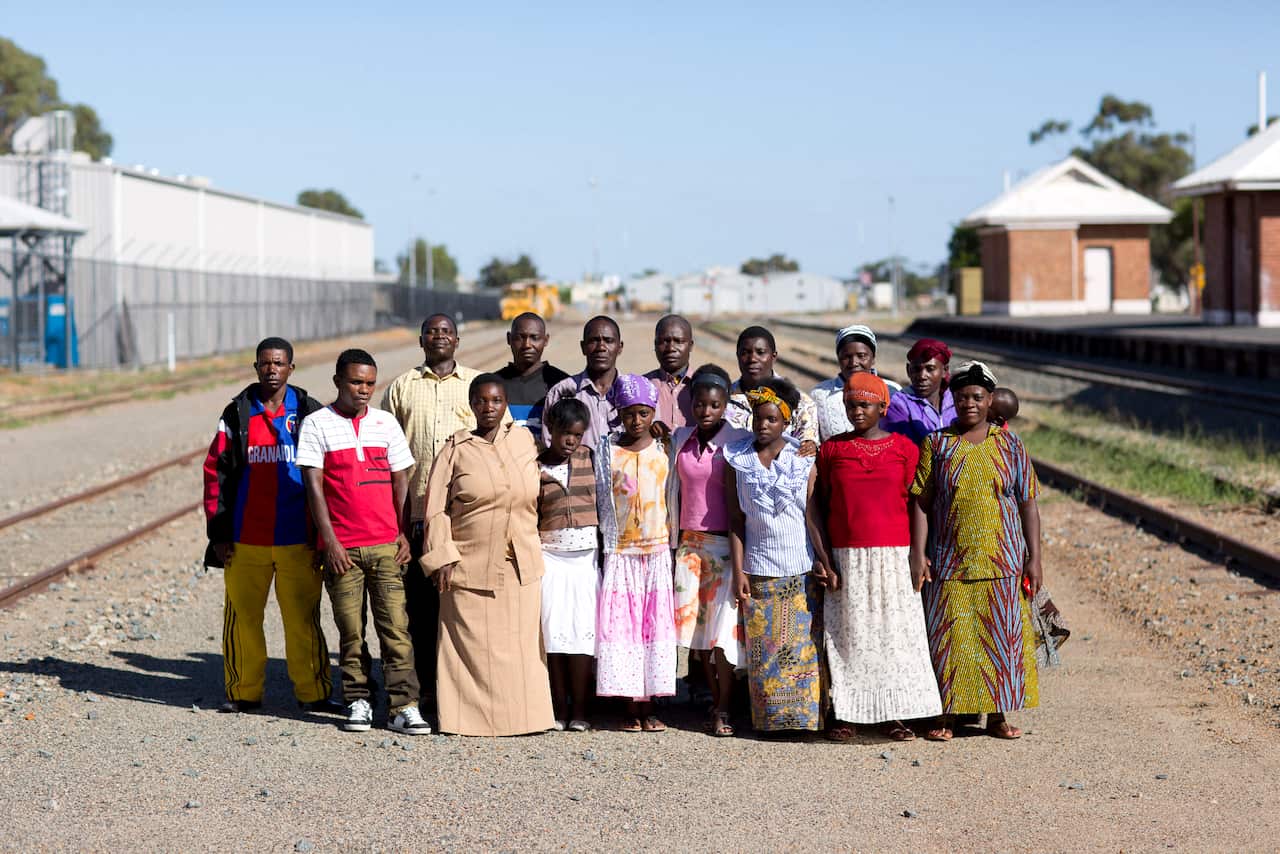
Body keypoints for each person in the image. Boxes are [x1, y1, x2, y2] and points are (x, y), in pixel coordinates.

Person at [202, 336, 339, 715]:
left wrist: (325, 535)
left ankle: (313, 692)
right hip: (246, 540)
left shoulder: (309, 411)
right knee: (243, 620)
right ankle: (243, 692)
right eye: (265, 363)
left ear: (291, 368)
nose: (271, 369)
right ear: (256, 367)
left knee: (302, 620)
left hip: (299, 538)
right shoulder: (237, 412)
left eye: (278, 363)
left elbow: (330, 473)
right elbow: (215, 473)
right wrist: (219, 534)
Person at [296, 349, 428, 735]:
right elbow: (313, 488)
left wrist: (402, 532)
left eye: (370, 383)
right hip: (343, 551)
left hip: (386, 547)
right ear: (338, 381)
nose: (364, 390)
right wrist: (330, 542)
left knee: (396, 630)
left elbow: (401, 480)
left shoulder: (386, 423)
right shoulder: (317, 424)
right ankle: (358, 700)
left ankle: (404, 706)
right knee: (351, 631)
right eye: (356, 382)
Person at [909, 360, 1042, 742]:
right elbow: (920, 502)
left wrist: (1034, 557)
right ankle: (947, 715)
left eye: (978, 397)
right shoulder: (937, 444)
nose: (970, 403)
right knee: (952, 642)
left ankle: (997, 716)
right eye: (963, 397)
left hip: (1003, 561)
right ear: (953, 399)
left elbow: (1028, 503)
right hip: (950, 561)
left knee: (1001, 641)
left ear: (989, 401)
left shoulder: (1011, 445)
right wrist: (918, 553)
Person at [419, 374, 555, 736]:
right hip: (468, 562)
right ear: (471, 405)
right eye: (481, 401)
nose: (488, 408)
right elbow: (435, 509)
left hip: (521, 561)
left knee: (520, 646)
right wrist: (441, 556)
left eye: (496, 400)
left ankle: (526, 719)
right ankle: (466, 721)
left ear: (505, 403)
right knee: (471, 648)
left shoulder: (524, 440)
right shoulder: (456, 449)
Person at [811, 372, 941, 743]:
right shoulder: (832, 450)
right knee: (849, 637)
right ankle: (847, 713)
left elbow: (919, 504)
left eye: (865, 405)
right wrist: (824, 558)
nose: (857, 411)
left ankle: (894, 713)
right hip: (847, 558)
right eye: (851, 405)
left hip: (895, 557)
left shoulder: (905, 449)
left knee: (893, 636)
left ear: (883, 407)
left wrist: (918, 554)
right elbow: (818, 505)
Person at [381, 312, 498, 717]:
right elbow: (385, 450)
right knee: (418, 610)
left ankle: (462, 690)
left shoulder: (476, 386)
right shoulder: (401, 387)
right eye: (431, 332)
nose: (439, 337)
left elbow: (497, 442)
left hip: (464, 522)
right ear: (421, 340)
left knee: (462, 608)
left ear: (457, 340)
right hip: (416, 517)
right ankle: (424, 690)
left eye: (446, 332)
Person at [724, 378, 830, 734]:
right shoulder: (736, 459)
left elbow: (811, 516)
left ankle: (804, 722)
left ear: (786, 422)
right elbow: (735, 520)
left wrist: (824, 560)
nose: (763, 425)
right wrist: (739, 571)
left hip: (800, 571)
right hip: (758, 571)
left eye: (772, 419)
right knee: (765, 653)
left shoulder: (803, 459)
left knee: (803, 652)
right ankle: (770, 721)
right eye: (758, 418)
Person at [667, 364, 751, 737]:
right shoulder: (679, 438)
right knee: (698, 634)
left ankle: (725, 707)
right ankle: (714, 701)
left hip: (725, 547)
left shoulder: (738, 440)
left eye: (714, 405)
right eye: (700, 404)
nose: (706, 411)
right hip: (690, 546)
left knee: (722, 635)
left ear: (725, 405)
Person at [595, 374, 677, 732]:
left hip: (656, 550)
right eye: (629, 413)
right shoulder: (607, 451)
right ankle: (630, 704)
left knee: (653, 628)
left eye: (643, 413)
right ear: (619, 413)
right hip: (621, 551)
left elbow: (672, 494)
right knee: (624, 629)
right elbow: (602, 497)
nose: (636, 420)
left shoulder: (665, 449)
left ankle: (651, 704)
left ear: (653, 413)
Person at [537, 398, 606, 732]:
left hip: (584, 561)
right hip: (549, 559)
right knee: (553, 636)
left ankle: (580, 709)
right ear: (550, 429)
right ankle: (558, 708)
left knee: (581, 636)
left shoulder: (590, 459)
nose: (570, 441)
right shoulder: (535, 467)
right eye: (565, 433)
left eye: (577, 435)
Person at [725, 325, 818, 455]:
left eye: (760, 352)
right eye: (745, 353)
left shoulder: (801, 403)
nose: (752, 359)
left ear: (773, 357)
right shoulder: (722, 401)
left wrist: (809, 445)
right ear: (738, 356)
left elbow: (806, 451)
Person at [810, 324, 903, 443]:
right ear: (838, 358)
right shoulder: (820, 394)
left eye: (861, 356)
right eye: (846, 357)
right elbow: (813, 440)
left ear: (873, 358)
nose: (854, 362)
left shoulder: (892, 390)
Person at [542, 316, 624, 450]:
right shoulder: (561, 392)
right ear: (583, 347)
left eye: (608, 341)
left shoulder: (634, 393)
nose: (601, 347)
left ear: (620, 347)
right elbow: (549, 446)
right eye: (593, 341)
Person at [497, 312, 570, 443]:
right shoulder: (494, 384)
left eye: (534, 338)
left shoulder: (562, 384)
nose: (527, 345)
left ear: (546, 340)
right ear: (509, 339)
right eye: (520, 337)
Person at [881, 337, 956, 446]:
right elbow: (905, 447)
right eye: (916, 369)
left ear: (945, 370)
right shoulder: (898, 404)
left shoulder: (956, 399)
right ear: (908, 370)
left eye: (930, 369)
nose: (922, 376)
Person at [644, 314, 695, 433]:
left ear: (691, 345)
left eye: (679, 341)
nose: (671, 348)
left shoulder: (705, 386)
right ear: (655, 344)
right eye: (664, 341)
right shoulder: (642, 386)